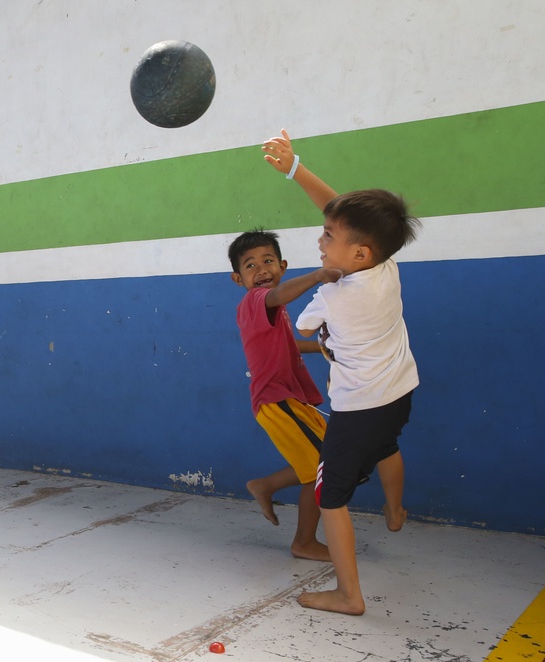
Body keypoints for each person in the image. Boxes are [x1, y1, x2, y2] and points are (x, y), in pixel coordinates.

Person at [263, 129, 420, 615]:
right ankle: (395, 511)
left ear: (358, 255)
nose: (320, 239)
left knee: (330, 497)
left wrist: (311, 292)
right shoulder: (383, 266)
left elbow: (302, 324)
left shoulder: (335, 295)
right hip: (399, 392)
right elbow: (341, 213)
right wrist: (295, 170)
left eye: (328, 238)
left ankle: (349, 595)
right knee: (389, 446)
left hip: (358, 409)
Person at [228, 229, 340, 562]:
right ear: (238, 278)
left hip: (290, 400)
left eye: (268, 261)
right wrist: (319, 275)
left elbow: (291, 347)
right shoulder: (256, 301)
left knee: (326, 461)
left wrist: (326, 348)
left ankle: (265, 485)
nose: (261, 269)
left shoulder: (275, 310)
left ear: (283, 266)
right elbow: (279, 297)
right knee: (322, 469)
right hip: (276, 400)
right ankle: (304, 541)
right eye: (250, 266)